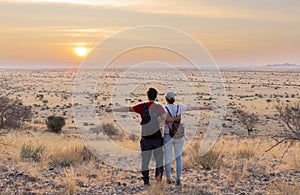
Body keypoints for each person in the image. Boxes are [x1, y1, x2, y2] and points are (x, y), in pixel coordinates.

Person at [106, 88, 166, 186]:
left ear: (147, 95)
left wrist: (113, 110)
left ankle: (146, 181)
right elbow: (164, 117)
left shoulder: (142, 107)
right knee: (159, 160)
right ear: (156, 96)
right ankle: (158, 181)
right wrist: (160, 126)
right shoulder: (159, 107)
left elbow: (128, 109)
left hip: (146, 138)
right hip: (157, 138)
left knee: (145, 160)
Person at [163, 91, 215, 186]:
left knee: (168, 158)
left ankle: (168, 179)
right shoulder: (180, 107)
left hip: (167, 135)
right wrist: (207, 108)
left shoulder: (164, 109)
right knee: (179, 157)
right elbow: (194, 108)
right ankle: (178, 178)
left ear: (166, 99)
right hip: (179, 135)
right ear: (174, 98)